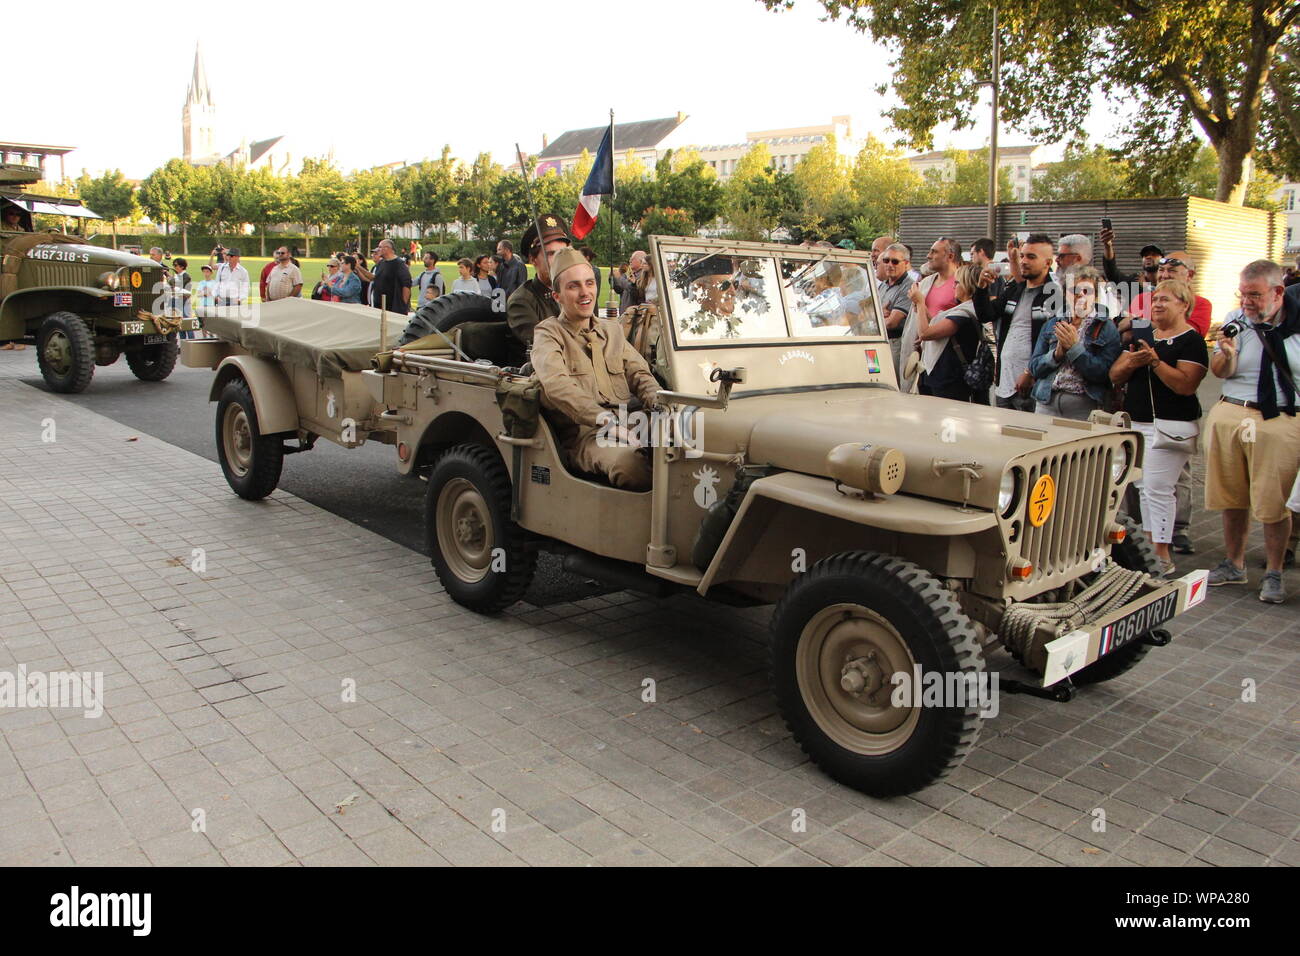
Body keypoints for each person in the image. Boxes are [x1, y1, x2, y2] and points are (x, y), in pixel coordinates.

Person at [1202, 260, 1300, 603]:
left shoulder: (1297, 322)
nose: (1247, 302)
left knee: (1273, 502)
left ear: (1277, 292)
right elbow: (1220, 371)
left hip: (1281, 419)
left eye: (1255, 295)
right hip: (1232, 411)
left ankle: (1274, 571)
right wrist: (1226, 355)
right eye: (1243, 294)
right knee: (1232, 496)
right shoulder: (1236, 319)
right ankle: (1234, 563)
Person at [531, 247, 660, 490]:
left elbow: (640, 374)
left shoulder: (611, 330)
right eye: (573, 286)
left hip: (631, 421)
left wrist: (663, 406)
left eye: (589, 283)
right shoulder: (548, 333)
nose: (585, 293)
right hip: (587, 434)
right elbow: (556, 385)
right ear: (557, 296)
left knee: (700, 432)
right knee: (631, 464)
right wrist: (606, 421)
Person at [1108, 279, 1208, 577]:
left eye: (1165, 299)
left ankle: (1161, 553)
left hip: (1170, 425)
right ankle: (1151, 549)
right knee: (1142, 487)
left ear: (1184, 305)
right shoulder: (1142, 335)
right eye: (1155, 300)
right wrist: (1133, 362)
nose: (1158, 304)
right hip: (1137, 423)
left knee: (1157, 489)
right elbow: (1115, 375)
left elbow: (1186, 385)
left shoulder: (1191, 340)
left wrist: (1154, 363)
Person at [974, 233, 1062, 412]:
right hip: (1004, 383)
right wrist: (981, 288)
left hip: (1033, 386)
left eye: (1031, 257)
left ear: (1047, 263)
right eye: (1022, 256)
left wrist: (1031, 372)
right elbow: (986, 315)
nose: (1023, 261)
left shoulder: (1056, 295)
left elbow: (1056, 344)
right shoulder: (1015, 289)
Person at [1028, 267, 1121, 419]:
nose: (1080, 295)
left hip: (1083, 405)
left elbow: (1103, 373)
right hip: (1046, 402)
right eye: (1074, 290)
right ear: (1065, 294)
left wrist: (1074, 349)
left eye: (1087, 291)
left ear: (1095, 296)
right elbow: (1034, 368)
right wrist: (1056, 355)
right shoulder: (1052, 324)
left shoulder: (1107, 328)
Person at [908, 263, 982, 402]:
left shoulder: (966, 312)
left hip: (949, 378)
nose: (953, 286)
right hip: (940, 375)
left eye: (957, 282)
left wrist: (920, 302)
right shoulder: (963, 309)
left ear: (967, 285)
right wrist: (921, 307)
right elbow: (935, 323)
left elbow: (926, 333)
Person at [899, 238, 963, 392]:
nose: (928, 256)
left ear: (950, 256)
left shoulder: (961, 284)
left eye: (934, 252)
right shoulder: (926, 282)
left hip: (947, 360)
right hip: (923, 358)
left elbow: (954, 322)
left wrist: (920, 304)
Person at [506, 213, 571, 351]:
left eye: (563, 253)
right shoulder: (521, 302)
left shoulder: (575, 293)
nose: (559, 260)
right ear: (533, 259)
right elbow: (545, 345)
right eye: (551, 254)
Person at [1099, 226, 1161, 310]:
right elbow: (1112, 273)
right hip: (1129, 322)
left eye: (1154, 254)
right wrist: (1107, 245)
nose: (1148, 257)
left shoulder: (1167, 284)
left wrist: (1147, 287)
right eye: (1145, 255)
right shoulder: (1134, 281)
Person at [876, 243, 914, 379]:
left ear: (906, 263)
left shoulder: (909, 287)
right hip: (879, 342)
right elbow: (866, 313)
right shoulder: (883, 285)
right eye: (886, 260)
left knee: (891, 383)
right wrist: (880, 314)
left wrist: (875, 318)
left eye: (895, 261)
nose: (889, 265)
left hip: (895, 344)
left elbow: (892, 322)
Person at [369, 239, 412, 314]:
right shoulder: (381, 263)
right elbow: (375, 278)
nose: (378, 249)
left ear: (387, 248)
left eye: (380, 247)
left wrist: (402, 305)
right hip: (379, 306)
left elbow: (406, 285)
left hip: (393, 308)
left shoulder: (399, 264)